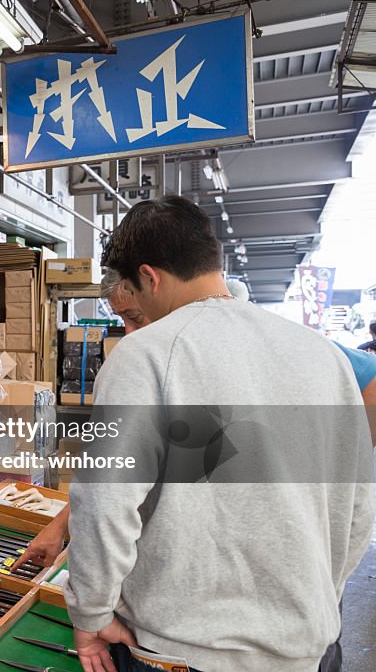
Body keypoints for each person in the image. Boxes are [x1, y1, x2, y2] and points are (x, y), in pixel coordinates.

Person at [63, 196, 374, 672]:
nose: (135, 323)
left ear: (150, 277)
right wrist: (319, 602)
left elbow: (105, 501)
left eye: (135, 303)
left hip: (184, 650)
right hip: (312, 646)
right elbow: (358, 504)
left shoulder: (146, 354)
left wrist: (90, 612)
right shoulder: (324, 355)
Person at [13, 269, 146, 571]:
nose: (127, 331)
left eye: (135, 317)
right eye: (121, 319)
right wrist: (61, 525)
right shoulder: (129, 365)